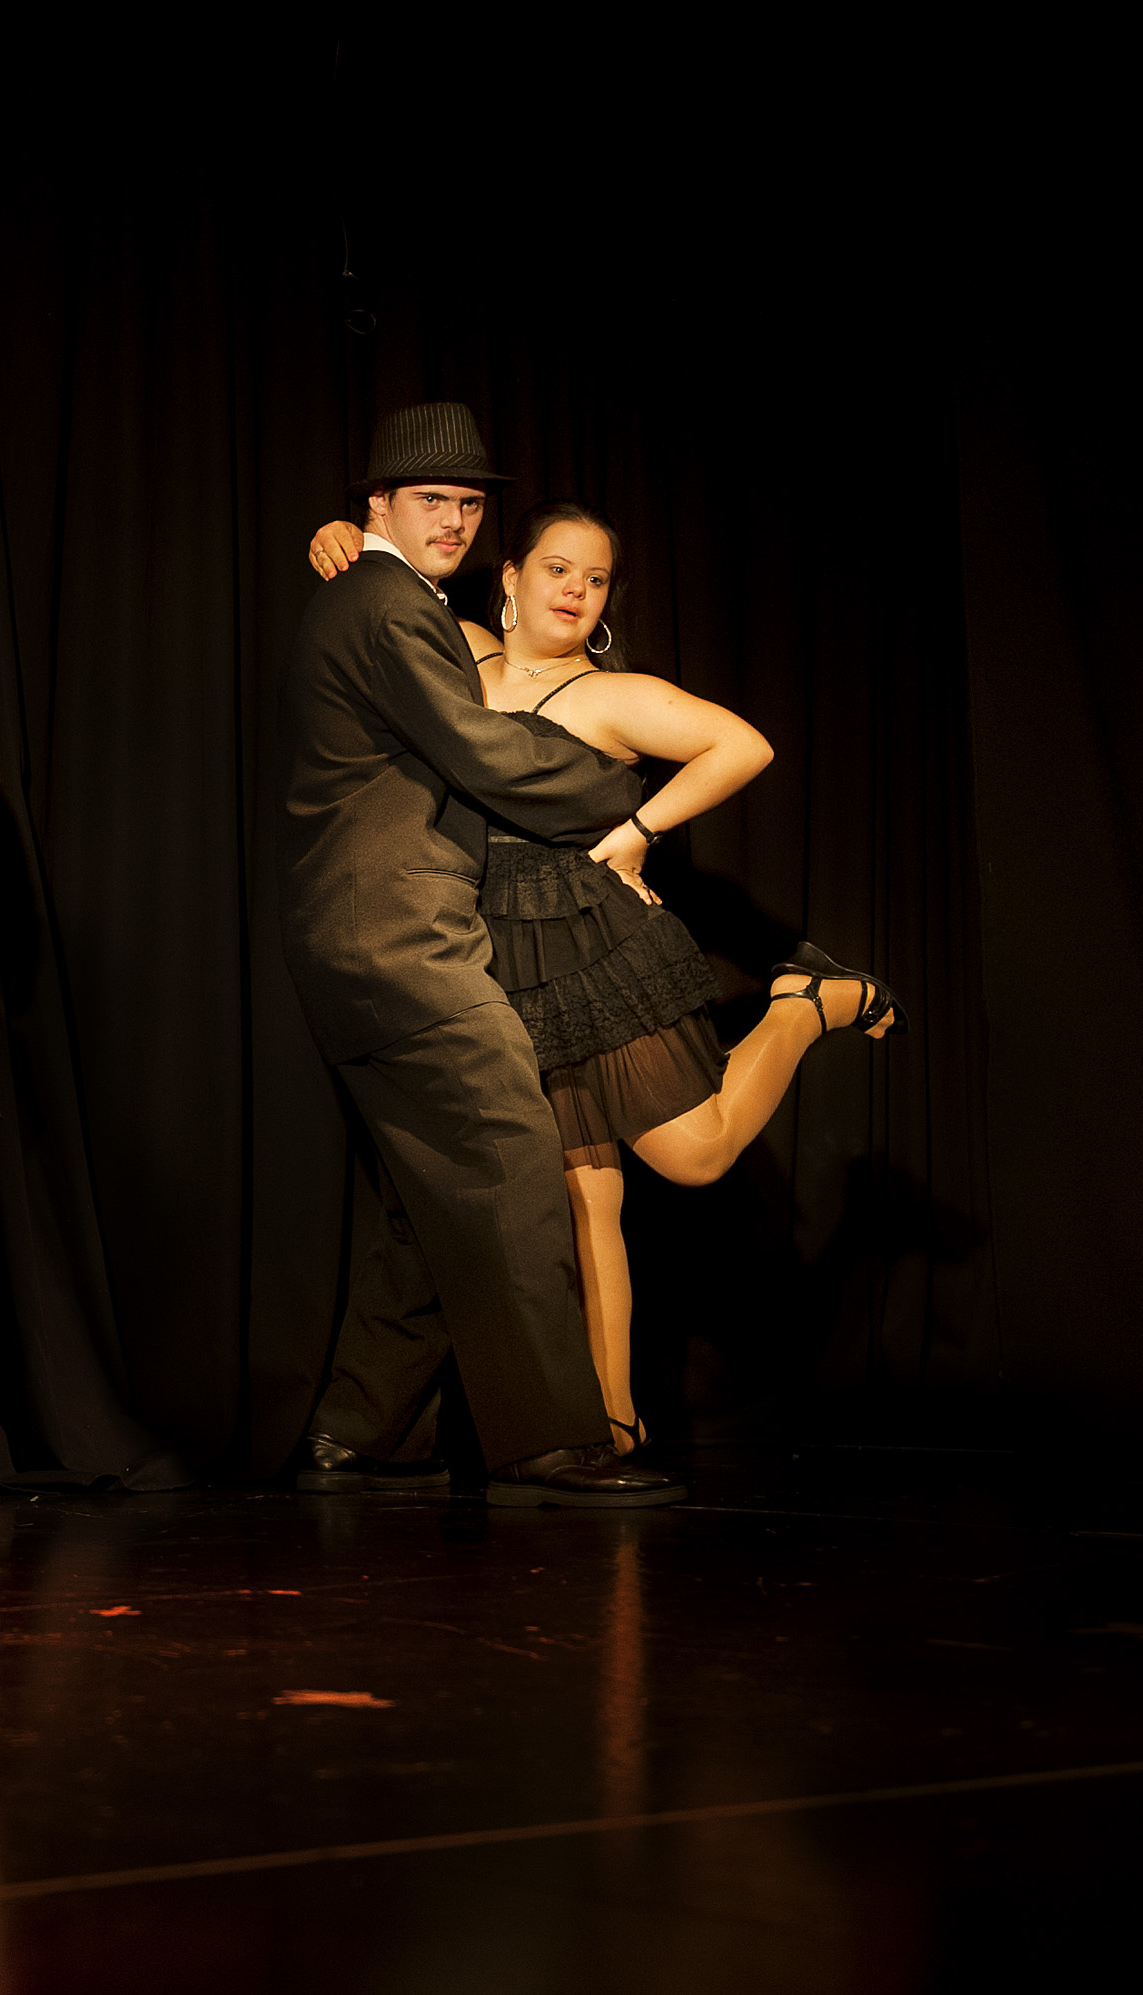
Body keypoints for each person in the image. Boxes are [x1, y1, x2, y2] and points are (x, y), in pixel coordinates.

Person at [307, 499, 902, 1453]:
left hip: (588, 944)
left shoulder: (611, 696)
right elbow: (387, 585)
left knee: (695, 1155)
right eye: (558, 569)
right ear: (509, 577)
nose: (577, 590)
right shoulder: (460, 651)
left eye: (595, 579)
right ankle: (611, 1419)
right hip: (489, 951)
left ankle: (801, 1004)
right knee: (579, 1200)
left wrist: (635, 834)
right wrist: (339, 538)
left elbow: (744, 744)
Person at [277, 402, 685, 1508]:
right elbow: (480, 750)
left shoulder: (381, 597)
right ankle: (550, 1440)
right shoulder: (385, 602)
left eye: (468, 502)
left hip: (352, 934)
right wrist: (620, 796)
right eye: (432, 500)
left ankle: (360, 1430)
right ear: (379, 504)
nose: (454, 520)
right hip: (397, 935)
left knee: (433, 1183)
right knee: (509, 1145)